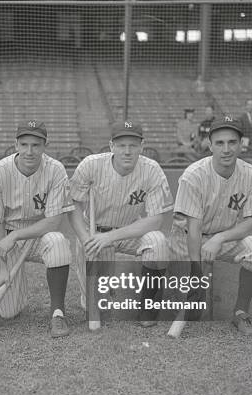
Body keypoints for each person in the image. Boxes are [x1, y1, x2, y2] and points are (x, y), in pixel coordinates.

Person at [0, 120, 75, 338]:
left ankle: (58, 313)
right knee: (9, 312)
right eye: (24, 144)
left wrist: (19, 235)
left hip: (39, 234)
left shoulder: (55, 170)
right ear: (16, 144)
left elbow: (53, 221)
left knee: (58, 243)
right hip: (5, 236)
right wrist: (3, 267)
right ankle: (15, 288)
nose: (30, 151)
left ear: (45, 145)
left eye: (36, 145)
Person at [169, 116, 252, 335]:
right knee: (192, 311)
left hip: (221, 238)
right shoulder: (193, 175)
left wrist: (219, 239)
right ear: (210, 145)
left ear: (241, 145)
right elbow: (193, 228)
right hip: (186, 240)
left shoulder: (250, 173)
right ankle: (191, 290)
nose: (226, 149)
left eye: (232, 142)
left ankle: (240, 312)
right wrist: (197, 272)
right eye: (220, 143)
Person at [68, 120, 173, 326]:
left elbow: (156, 220)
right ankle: (100, 293)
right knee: (98, 305)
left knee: (158, 242)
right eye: (121, 145)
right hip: (94, 232)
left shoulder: (152, 170)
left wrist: (111, 237)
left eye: (133, 145)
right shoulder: (91, 164)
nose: (127, 151)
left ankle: (147, 308)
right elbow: (74, 207)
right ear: (111, 146)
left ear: (142, 147)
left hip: (130, 231)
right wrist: (85, 238)